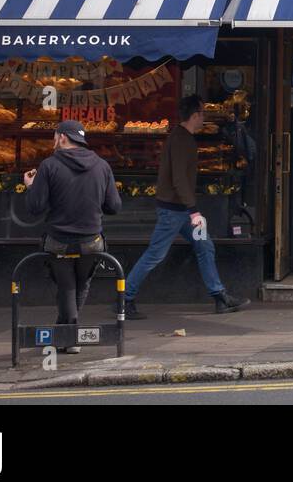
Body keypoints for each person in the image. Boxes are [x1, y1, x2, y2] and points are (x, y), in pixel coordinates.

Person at [123, 95, 249, 318]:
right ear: (194, 116)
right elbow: (179, 178)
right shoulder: (181, 140)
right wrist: (193, 210)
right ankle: (124, 298)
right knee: (155, 254)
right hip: (174, 211)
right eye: (202, 113)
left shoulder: (183, 138)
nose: (204, 118)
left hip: (180, 210)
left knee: (205, 247)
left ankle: (219, 296)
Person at [23, 119, 122, 352]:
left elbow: (35, 207)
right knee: (81, 283)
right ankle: (66, 334)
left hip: (59, 241)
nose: (53, 141)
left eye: (54, 136)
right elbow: (114, 207)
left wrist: (30, 186)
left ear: (63, 138)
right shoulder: (102, 166)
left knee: (67, 287)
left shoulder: (49, 166)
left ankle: (69, 335)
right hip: (92, 241)